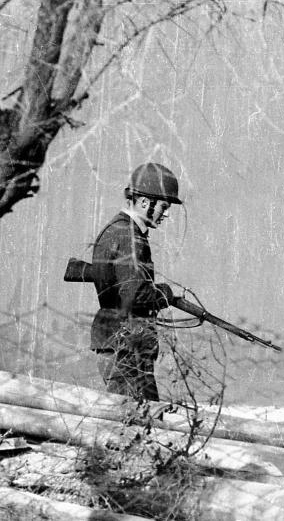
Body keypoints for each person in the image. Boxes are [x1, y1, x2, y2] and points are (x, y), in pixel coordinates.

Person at [89, 163, 182, 401]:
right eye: (164, 205)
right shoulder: (129, 236)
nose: (166, 213)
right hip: (127, 344)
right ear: (144, 202)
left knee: (139, 419)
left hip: (120, 340)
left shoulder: (116, 230)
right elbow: (134, 293)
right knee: (137, 420)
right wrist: (164, 294)